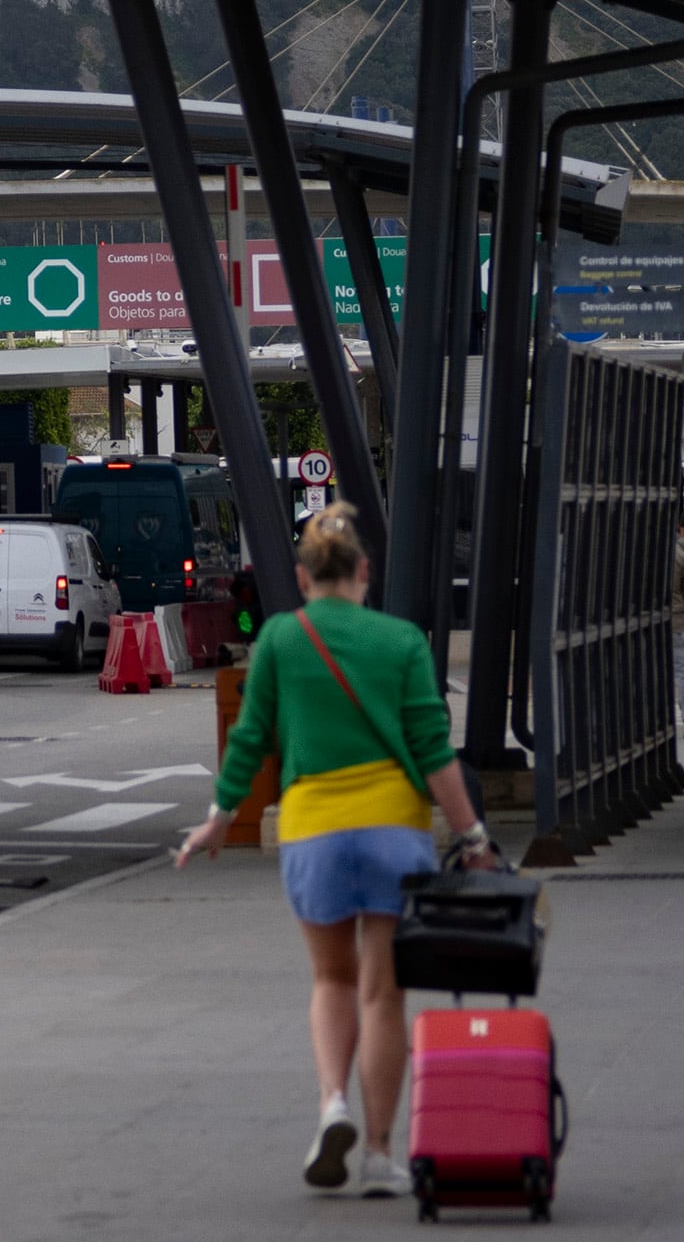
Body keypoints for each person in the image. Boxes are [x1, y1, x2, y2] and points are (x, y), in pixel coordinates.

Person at [180, 504, 497, 1198]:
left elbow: (251, 739)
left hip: (313, 826)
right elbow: (433, 750)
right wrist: (472, 835)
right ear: (363, 570)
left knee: (331, 981)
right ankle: (382, 1154)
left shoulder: (280, 640)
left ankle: (332, 1105)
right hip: (394, 827)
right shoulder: (402, 639)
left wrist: (217, 819)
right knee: (385, 993)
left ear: (300, 576)